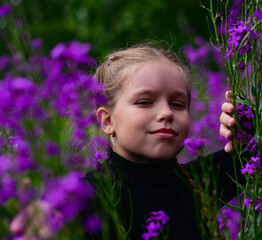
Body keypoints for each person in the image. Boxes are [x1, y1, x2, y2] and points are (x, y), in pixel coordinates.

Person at [88, 45, 247, 239]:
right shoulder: (91, 198)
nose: (166, 113)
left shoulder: (201, 181)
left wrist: (244, 118)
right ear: (107, 120)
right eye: (145, 102)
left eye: (177, 104)